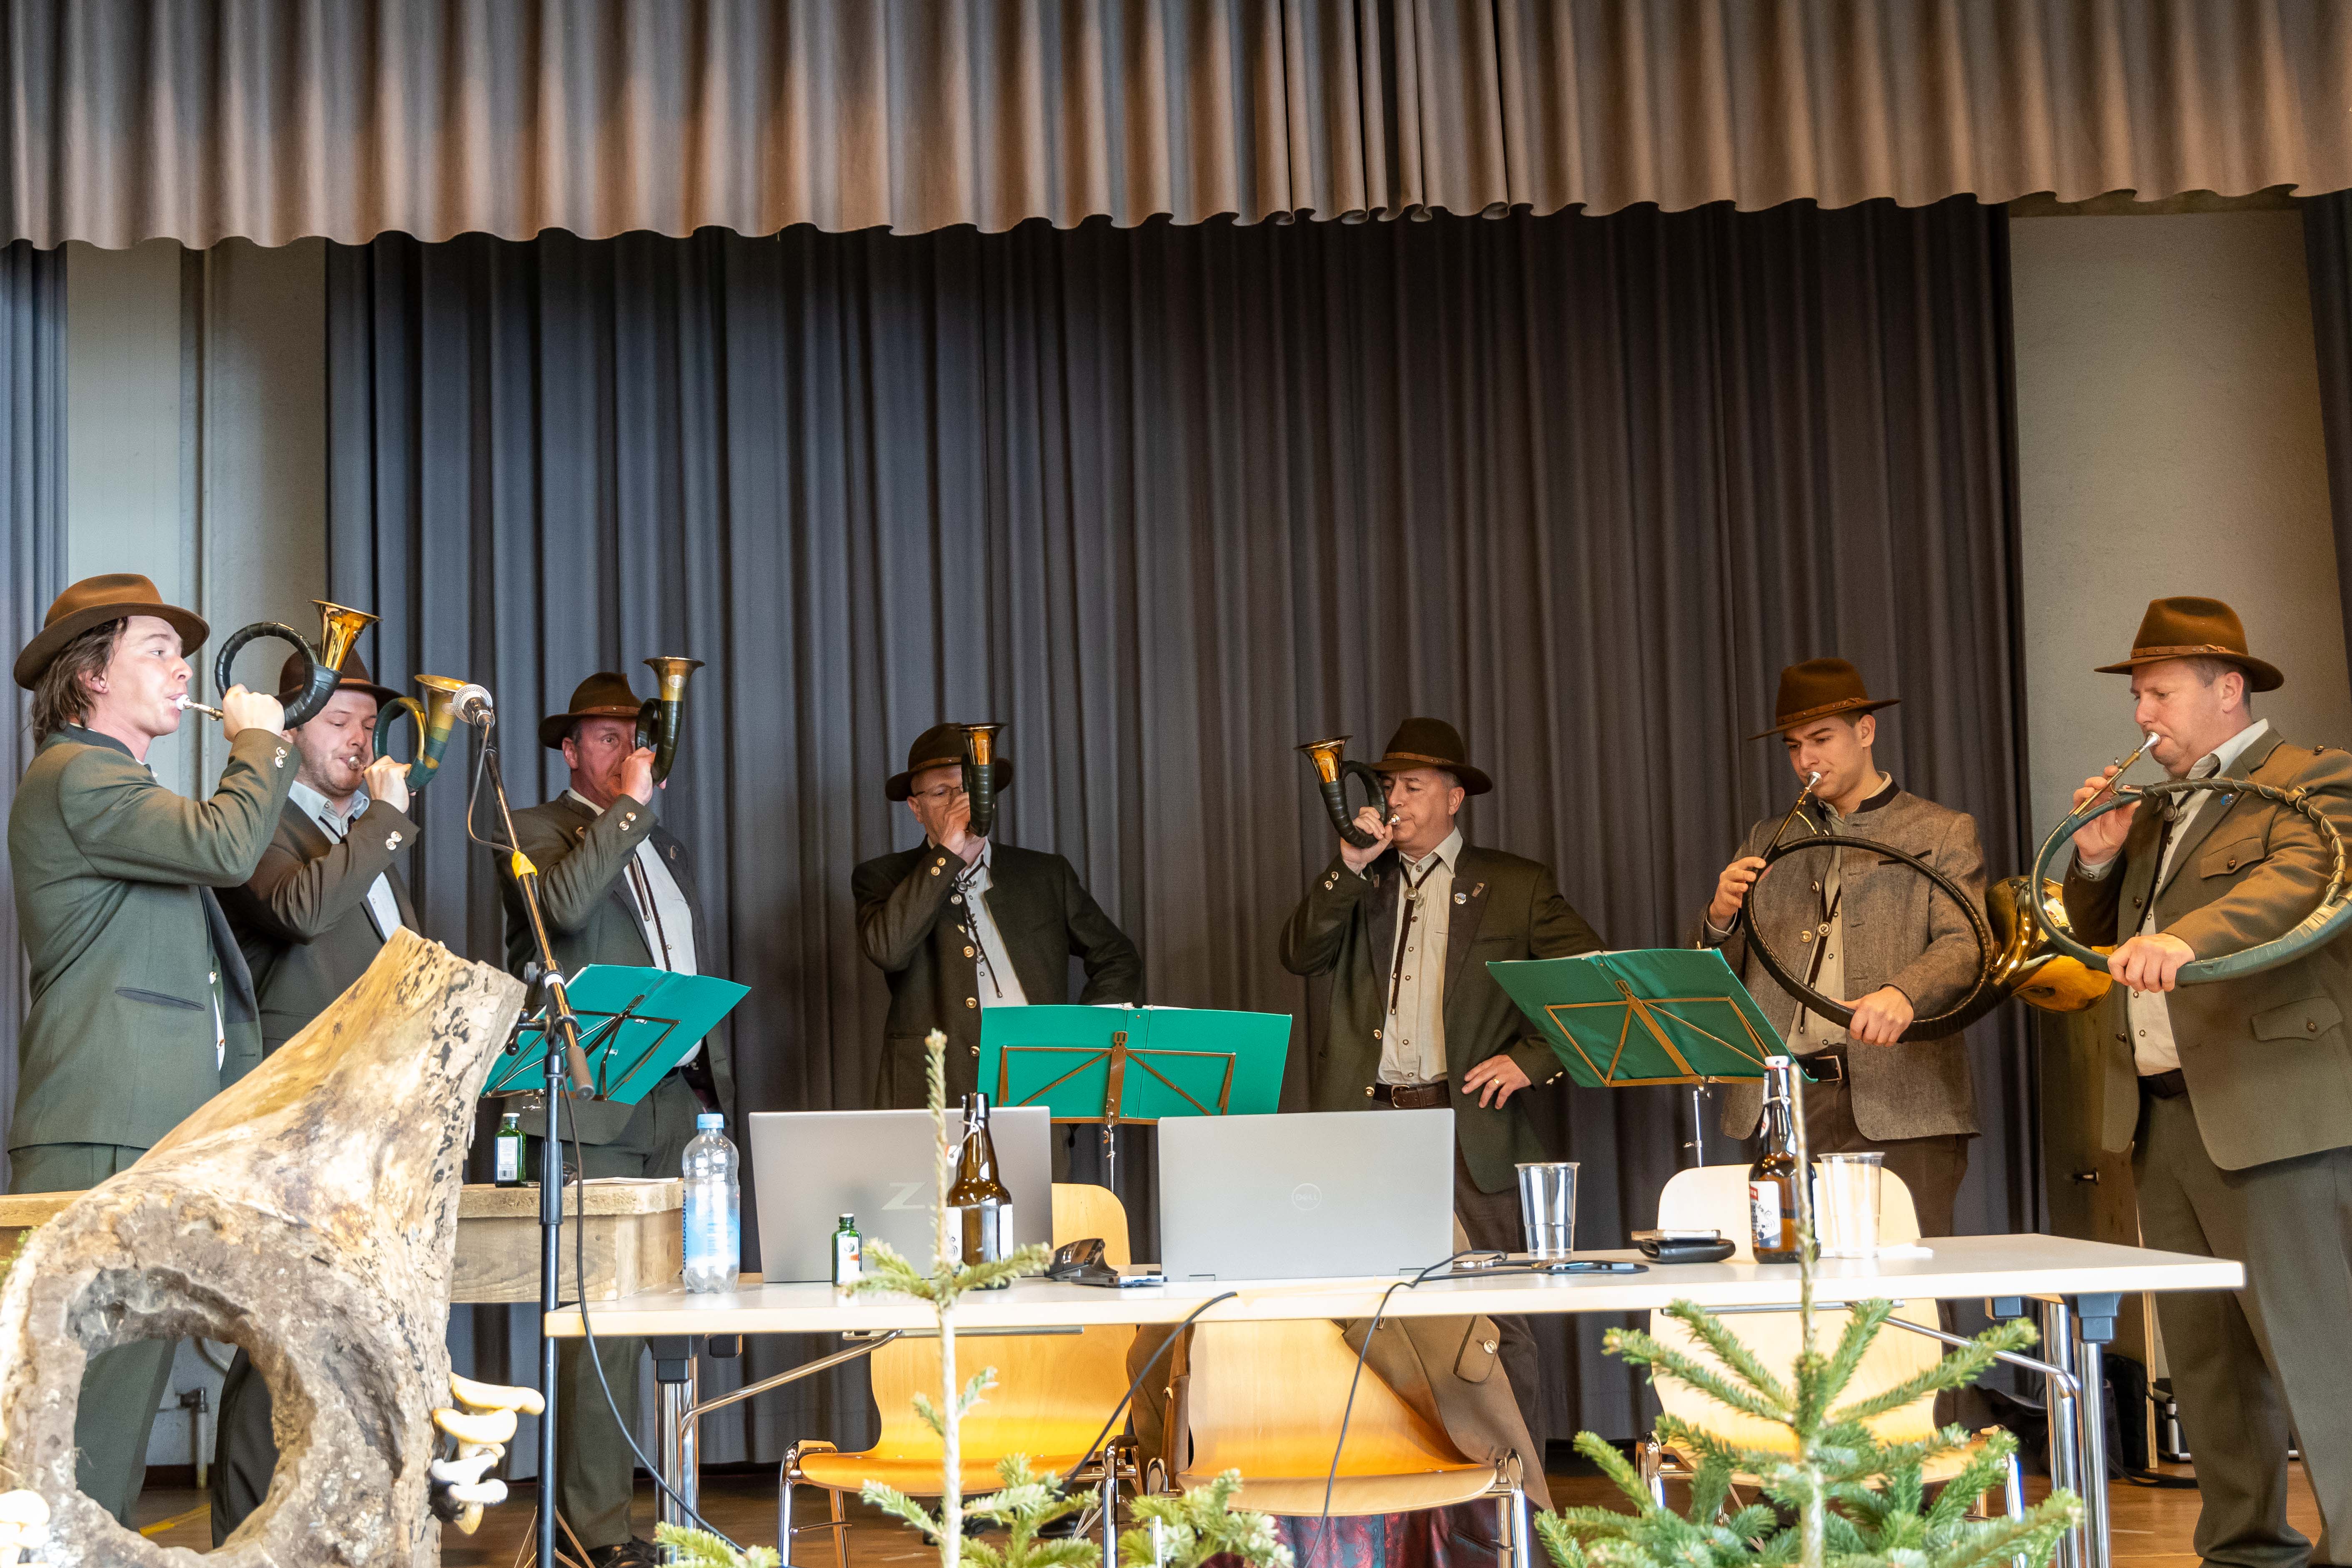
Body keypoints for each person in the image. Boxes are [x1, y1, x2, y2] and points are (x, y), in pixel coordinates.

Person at [2061, 596, 2352, 1568]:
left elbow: (2305, 882)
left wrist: (2188, 937)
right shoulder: (2155, 808)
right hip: (2162, 1117)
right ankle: (2244, 1551)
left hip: (2272, 1114)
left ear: (2228, 690)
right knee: (2207, 1363)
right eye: (2138, 695)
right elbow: (2105, 940)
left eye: (2159, 693)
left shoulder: (2311, 779)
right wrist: (2097, 861)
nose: (2142, 714)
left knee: (2318, 1351)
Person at [6, 573, 294, 1526]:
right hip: (106, 1137)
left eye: (181, 655)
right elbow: (227, 845)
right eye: (158, 651)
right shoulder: (75, 774)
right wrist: (259, 744)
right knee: (85, 1443)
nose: (182, 672)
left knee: (105, 1436)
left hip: (146, 1138)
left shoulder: (117, 785)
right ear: (92, 675)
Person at [1278, 716, 1603, 1468]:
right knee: (1363, 1313)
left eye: (1412, 785)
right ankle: (1395, 1496)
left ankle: (1519, 1499)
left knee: (1496, 1320)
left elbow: (1593, 984)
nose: (1393, 798)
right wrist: (1347, 866)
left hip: (1470, 1130)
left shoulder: (1515, 884)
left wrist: (1532, 1060)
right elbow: (1299, 953)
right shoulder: (1362, 878)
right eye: (1388, 784)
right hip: (1368, 1125)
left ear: (1454, 797)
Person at [491, 671, 736, 1568]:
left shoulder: (665, 847)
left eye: (635, 736)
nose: (625, 750)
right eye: (604, 737)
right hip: (595, 1108)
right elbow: (559, 912)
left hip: (680, 1099)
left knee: (680, 1309)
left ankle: (672, 1511)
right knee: (604, 1320)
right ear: (569, 750)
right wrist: (627, 809)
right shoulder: (533, 830)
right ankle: (589, 1530)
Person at [210, 647, 419, 1543]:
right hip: (295, 1119)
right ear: (290, 731)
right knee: (278, 1338)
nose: (360, 740)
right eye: (340, 722)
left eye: (369, 725)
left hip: (375, 1121)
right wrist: (385, 822)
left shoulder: (358, 838)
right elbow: (296, 913)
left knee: (345, 1343)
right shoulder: (259, 820)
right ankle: (246, 1538)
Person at [1696, 659, 1986, 1238]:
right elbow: (1715, 978)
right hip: (1783, 1102)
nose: (1805, 758)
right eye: (1793, 746)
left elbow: (1968, 945)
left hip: (1901, 1103)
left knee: (1906, 1282)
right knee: (1790, 1281)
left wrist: (1904, 992)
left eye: (1821, 739)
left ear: (1865, 731)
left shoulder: (1941, 830)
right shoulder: (1766, 836)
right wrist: (1719, 918)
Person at [853, 722, 1142, 1108]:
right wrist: (948, 856)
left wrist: (1080, 1038)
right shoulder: (882, 877)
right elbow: (888, 951)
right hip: (932, 1092)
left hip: (1036, 1084)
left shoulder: (1044, 874)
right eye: (941, 792)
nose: (959, 802)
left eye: (969, 788)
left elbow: (1117, 958)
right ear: (916, 809)